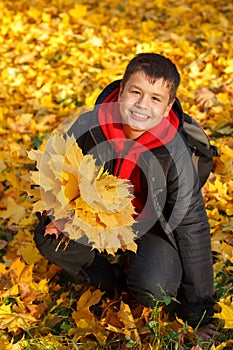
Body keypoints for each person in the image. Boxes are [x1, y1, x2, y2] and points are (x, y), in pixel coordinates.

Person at [34, 53, 219, 339]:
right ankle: (109, 281)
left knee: (155, 288)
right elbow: (60, 174)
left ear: (168, 106)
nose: (142, 105)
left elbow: (192, 226)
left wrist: (198, 312)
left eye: (156, 98)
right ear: (121, 92)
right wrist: (62, 213)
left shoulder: (175, 154)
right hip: (97, 215)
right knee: (50, 239)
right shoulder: (89, 128)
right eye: (136, 92)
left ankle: (144, 269)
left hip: (151, 226)